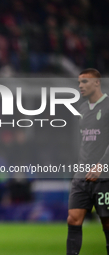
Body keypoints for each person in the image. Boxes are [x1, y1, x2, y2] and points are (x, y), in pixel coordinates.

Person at [67, 68, 109, 255]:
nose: (80, 86)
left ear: (97, 83)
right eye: (79, 82)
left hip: (104, 177)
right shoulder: (82, 109)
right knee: (73, 219)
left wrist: (102, 165)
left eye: (84, 82)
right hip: (81, 176)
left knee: (106, 222)